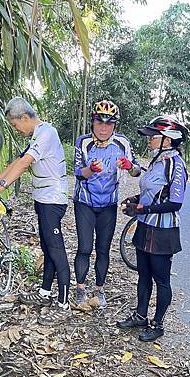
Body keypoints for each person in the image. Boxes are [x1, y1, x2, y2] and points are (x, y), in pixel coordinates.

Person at [0, 97, 71, 325]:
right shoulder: (37, 135)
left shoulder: (47, 133)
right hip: (43, 200)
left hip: (53, 200)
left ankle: (64, 303)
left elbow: (23, 165)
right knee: (46, 247)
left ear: (25, 117)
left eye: (15, 125)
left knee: (56, 249)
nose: (16, 129)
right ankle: (44, 292)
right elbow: (17, 161)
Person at [116, 115, 188, 342]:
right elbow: (152, 193)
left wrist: (142, 210)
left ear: (168, 140)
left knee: (161, 279)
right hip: (146, 226)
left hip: (163, 231)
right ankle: (140, 316)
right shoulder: (158, 160)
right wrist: (136, 199)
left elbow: (175, 203)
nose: (149, 140)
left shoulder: (176, 164)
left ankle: (158, 324)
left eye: (153, 136)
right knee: (144, 275)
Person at [73, 100, 140, 307]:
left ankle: (100, 290)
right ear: (92, 122)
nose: (103, 128)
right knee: (85, 247)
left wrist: (130, 166)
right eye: (99, 122)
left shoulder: (122, 144)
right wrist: (91, 169)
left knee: (103, 248)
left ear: (114, 126)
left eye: (109, 123)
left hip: (108, 204)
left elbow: (137, 171)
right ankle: (80, 289)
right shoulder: (83, 142)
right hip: (84, 202)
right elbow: (77, 173)